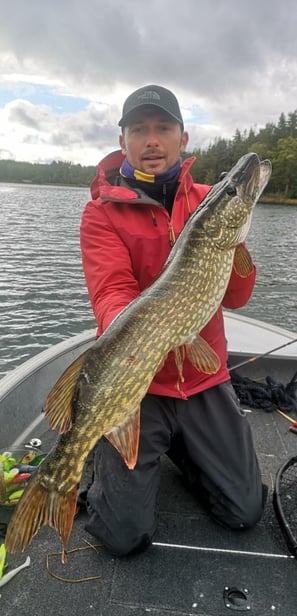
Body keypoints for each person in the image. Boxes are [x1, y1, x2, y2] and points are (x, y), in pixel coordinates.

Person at [79, 84, 266, 556]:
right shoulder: (102, 213)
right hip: (139, 385)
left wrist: (233, 240)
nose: (152, 140)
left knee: (243, 512)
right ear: (123, 141)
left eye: (164, 128)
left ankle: (182, 447)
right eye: (139, 130)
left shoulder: (209, 200)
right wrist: (150, 329)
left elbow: (239, 297)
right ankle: (97, 456)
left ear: (183, 138)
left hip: (204, 379)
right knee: (122, 537)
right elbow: (111, 295)